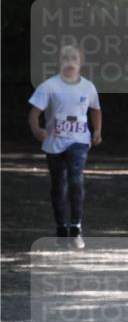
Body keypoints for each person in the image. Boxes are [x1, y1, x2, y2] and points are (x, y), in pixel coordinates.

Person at [28, 45, 102, 249]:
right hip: (54, 142)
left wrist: (97, 131)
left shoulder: (88, 87)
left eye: (74, 59)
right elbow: (34, 112)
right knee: (58, 185)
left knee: (75, 179)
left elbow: (96, 109)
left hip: (79, 140)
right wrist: (36, 129)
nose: (70, 62)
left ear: (80, 62)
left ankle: (76, 227)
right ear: (59, 62)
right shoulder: (48, 86)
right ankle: (62, 228)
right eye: (65, 58)